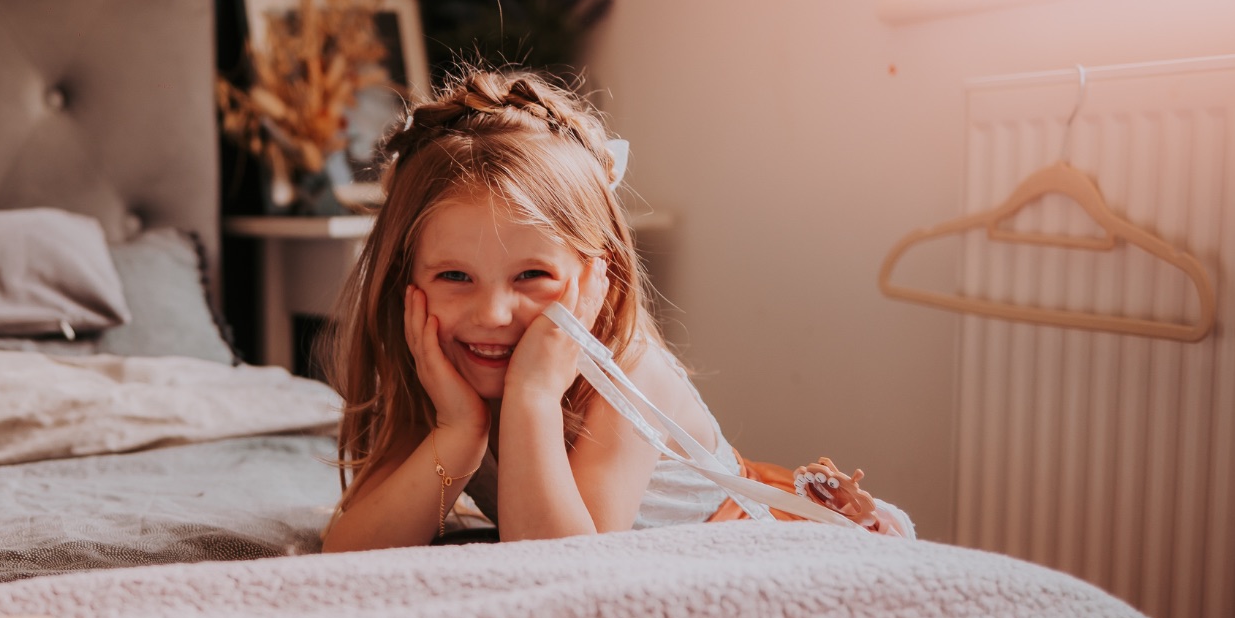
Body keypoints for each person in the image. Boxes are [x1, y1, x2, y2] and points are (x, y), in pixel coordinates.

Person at [320, 67, 909, 553]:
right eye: (454, 276)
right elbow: (347, 555)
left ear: (597, 277)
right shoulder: (439, 371)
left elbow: (562, 570)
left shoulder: (629, 375)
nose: (494, 313)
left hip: (762, 545)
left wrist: (531, 399)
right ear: (406, 280)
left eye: (533, 275)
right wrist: (459, 432)